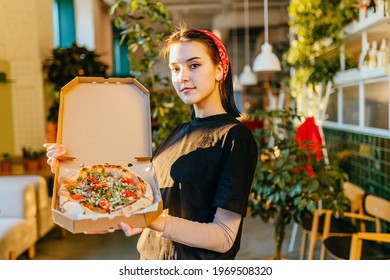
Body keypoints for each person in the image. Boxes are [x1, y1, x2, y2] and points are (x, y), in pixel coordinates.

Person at [45, 24, 258, 260]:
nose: (182, 77)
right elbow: (130, 212)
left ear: (219, 70)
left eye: (194, 65)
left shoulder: (235, 137)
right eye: (175, 68)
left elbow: (224, 237)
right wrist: (74, 174)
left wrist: (155, 221)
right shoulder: (177, 135)